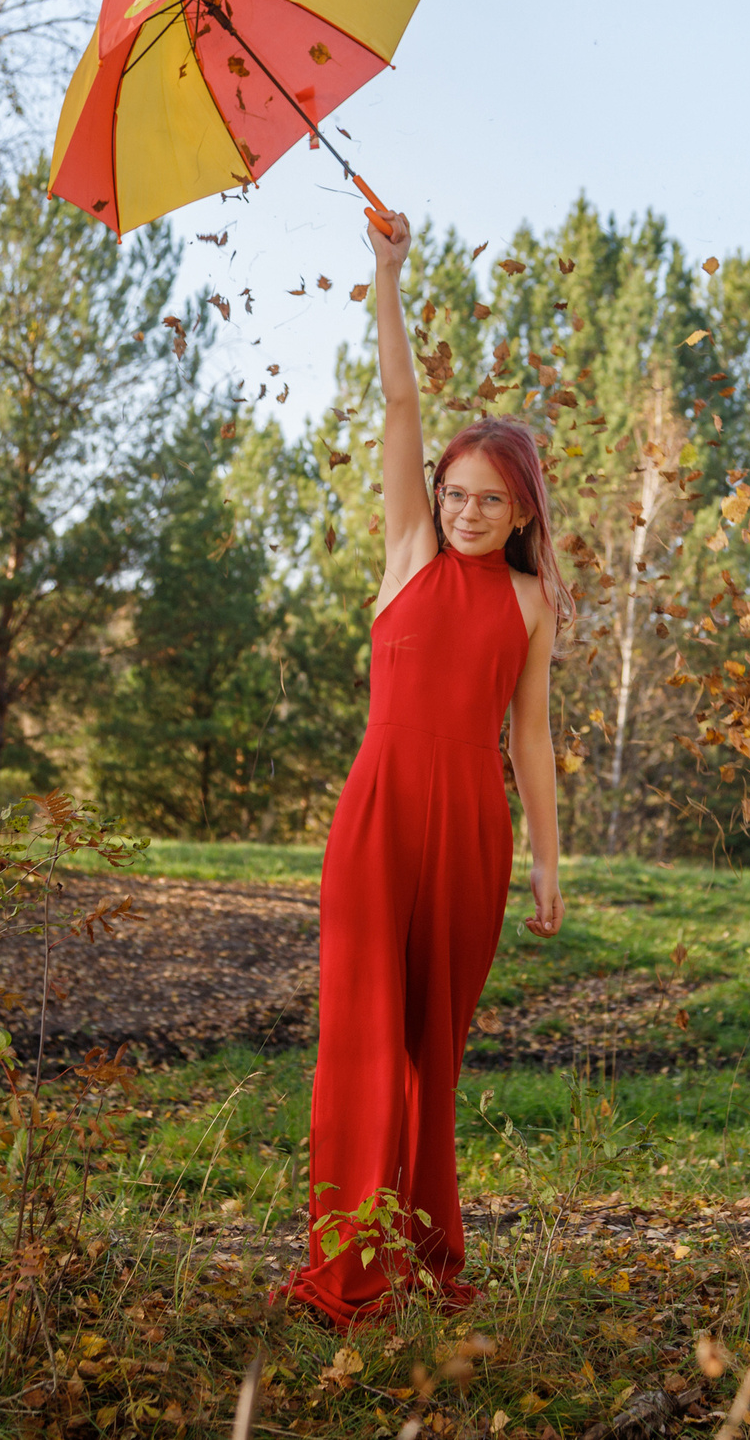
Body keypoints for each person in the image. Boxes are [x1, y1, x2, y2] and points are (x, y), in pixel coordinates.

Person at [284, 208, 567, 1326]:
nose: (463, 511)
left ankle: (419, 1248)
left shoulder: (533, 601)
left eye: (487, 501)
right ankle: (347, 1261)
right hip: (377, 816)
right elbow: (399, 404)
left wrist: (549, 862)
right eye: (454, 493)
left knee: (430, 1054)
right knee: (360, 1037)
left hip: (470, 828)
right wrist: (386, 274)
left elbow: (530, 737)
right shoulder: (406, 550)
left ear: (521, 511)